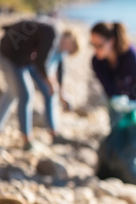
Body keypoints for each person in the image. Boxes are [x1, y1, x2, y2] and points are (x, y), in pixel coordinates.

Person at [90, 22, 136, 187]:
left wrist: (134, 105)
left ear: (111, 41)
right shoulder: (97, 62)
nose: (96, 49)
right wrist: (117, 100)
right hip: (118, 98)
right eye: (92, 45)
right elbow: (108, 88)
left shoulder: (129, 54)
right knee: (116, 129)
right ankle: (116, 168)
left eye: (99, 45)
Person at [0, 20, 79, 149]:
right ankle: (27, 140)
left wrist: (60, 90)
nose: (67, 51)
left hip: (22, 59)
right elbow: (41, 61)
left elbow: (59, 67)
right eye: (70, 48)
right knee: (25, 94)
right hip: (9, 55)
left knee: (13, 93)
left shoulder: (57, 40)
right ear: (71, 38)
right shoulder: (53, 33)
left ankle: (52, 132)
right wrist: (50, 81)